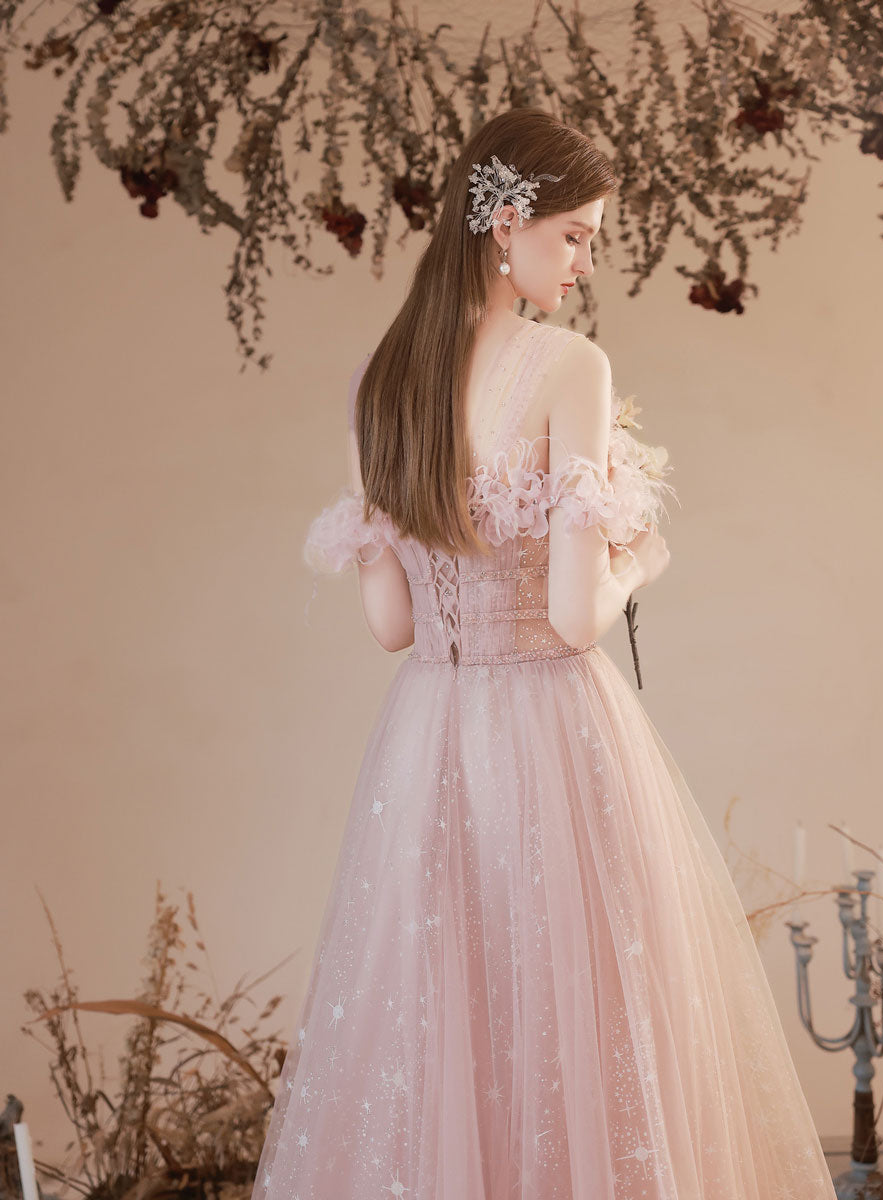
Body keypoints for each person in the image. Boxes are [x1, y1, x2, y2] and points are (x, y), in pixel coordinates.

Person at [253, 108, 836, 1198]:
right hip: (549, 733)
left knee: (443, 1013)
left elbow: (392, 626)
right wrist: (639, 560)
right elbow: (575, 619)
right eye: (574, 235)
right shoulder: (568, 366)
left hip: (426, 737)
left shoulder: (382, 381)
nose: (583, 263)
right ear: (506, 222)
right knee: (580, 1014)